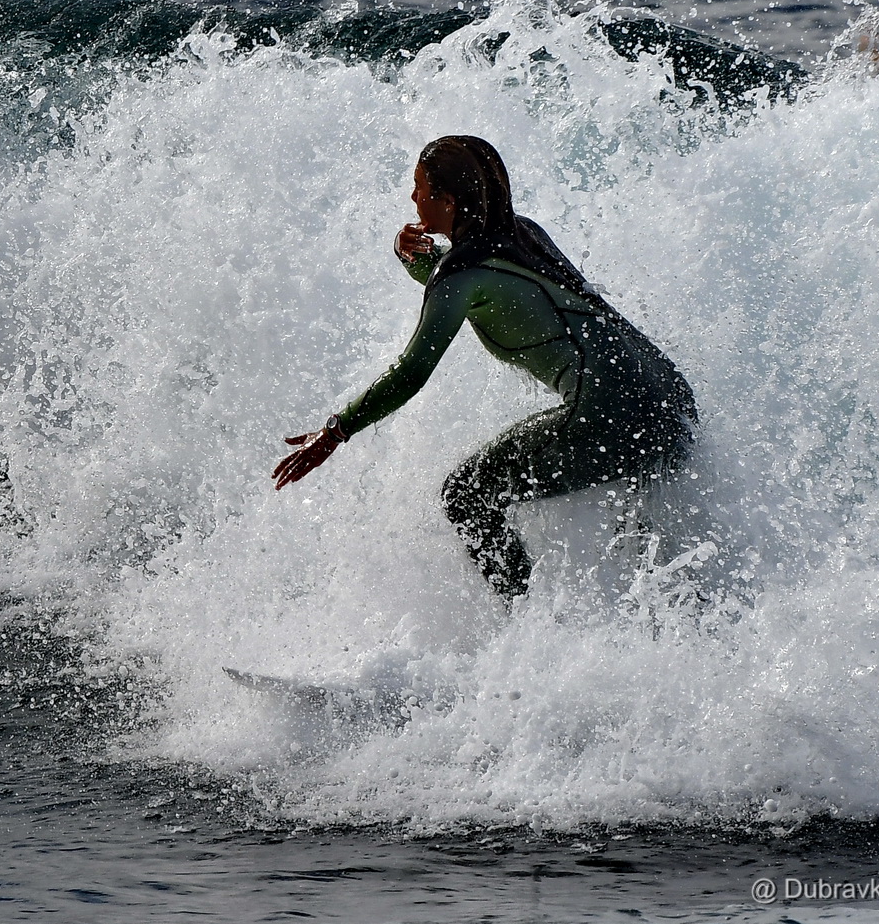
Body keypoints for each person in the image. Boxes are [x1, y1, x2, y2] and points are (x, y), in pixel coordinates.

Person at [272, 135, 697, 601]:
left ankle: (531, 627)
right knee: (652, 559)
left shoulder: (461, 274)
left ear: (448, 200)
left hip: (610, 415)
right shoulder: (525, 233)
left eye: (419, 187)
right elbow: (469, 285)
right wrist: (409, 255)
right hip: (670, 398)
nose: (412, 197)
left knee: (466, 494)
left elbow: (412, 371)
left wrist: (336, 431)